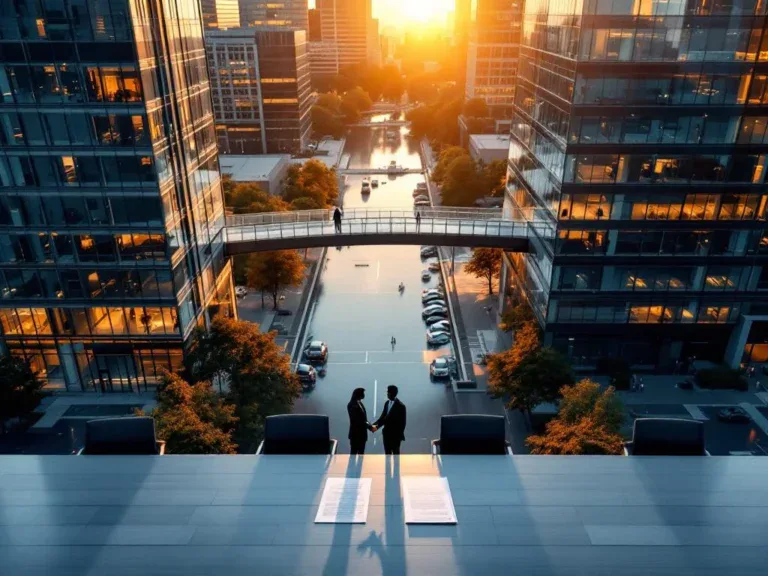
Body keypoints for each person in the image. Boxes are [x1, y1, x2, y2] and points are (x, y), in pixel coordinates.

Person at [373, 385, 406, 455]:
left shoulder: (401, 406)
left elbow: (403, 423)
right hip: (386, 434)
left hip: (395, 436)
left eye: (388, 392)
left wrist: (399, 436)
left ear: (393, 393)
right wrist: (373, 425)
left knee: (396, 456)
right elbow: (382, 418)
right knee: (387, 455)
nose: (387, 394)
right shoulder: (387, 403)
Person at [347, 388, 374, 455]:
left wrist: (369, 425)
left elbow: (363, 419)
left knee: (361, 456)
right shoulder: (352, 405)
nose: (364, 394)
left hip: (362, 435)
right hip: (355, 434)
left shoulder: (360, 404)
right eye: (363, 393)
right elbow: (357, 420)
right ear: (359, 394)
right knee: (353, 455)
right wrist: (370, 426)